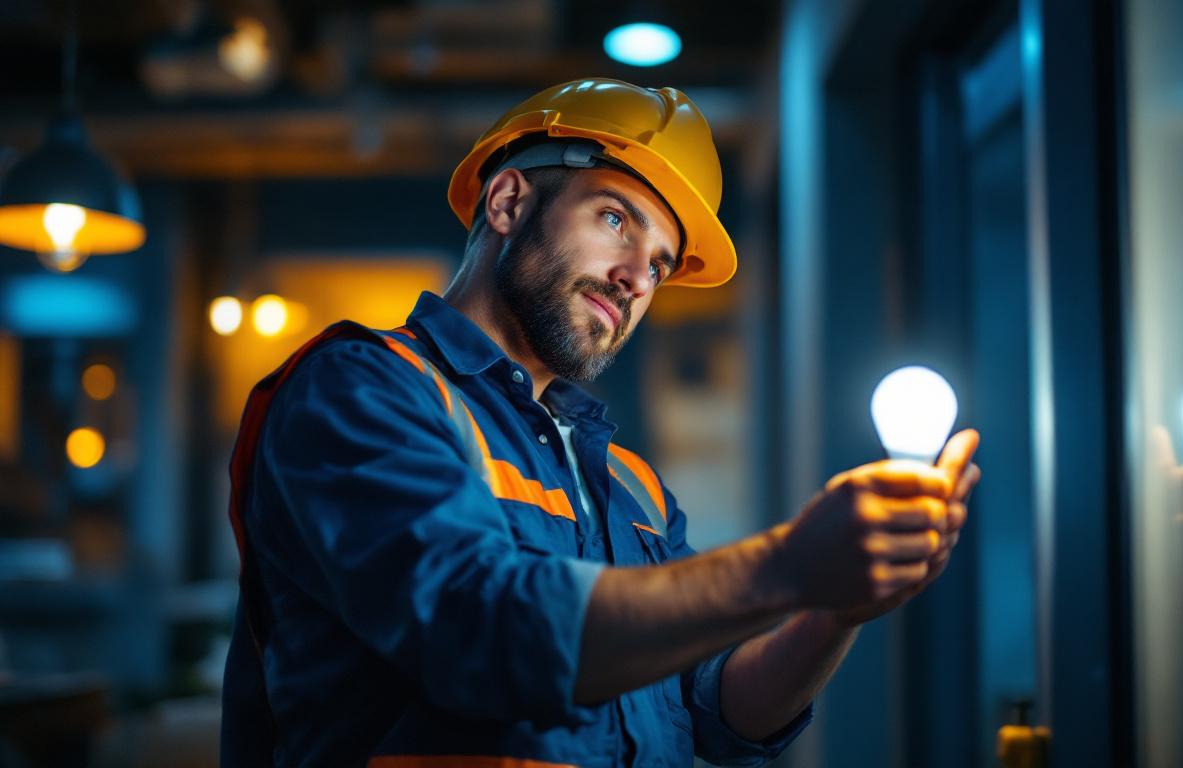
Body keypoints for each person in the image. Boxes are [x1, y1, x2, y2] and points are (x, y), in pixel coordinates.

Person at [220, 78, 981, 768]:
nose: (635, 279)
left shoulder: (631, 487)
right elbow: (482, 631)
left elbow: (717, 713)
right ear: (509, 202)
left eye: (658, 263)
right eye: (616, 219)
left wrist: (833, 608)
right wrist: (786, 564)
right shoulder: (365, 390)